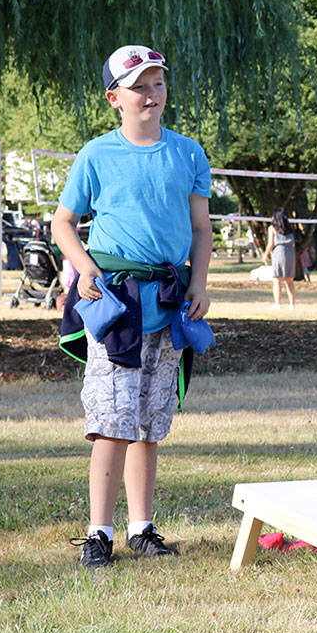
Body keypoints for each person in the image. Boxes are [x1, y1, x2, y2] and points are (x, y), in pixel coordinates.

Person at [51, 44, 212, 568]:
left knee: (148, 421)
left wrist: (200, 283)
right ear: (114, 97)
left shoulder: (187, 152)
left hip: (167, 303)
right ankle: (99, 532)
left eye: (158, 83)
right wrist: (84, 268)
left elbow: (200, 227)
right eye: (138, 85)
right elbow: (62, 224)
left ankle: (142, 528)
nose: (151, 94)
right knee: (111, 419)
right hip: (116, 303)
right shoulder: (96, 155)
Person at [262, 208, 297, 309]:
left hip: (279, 251)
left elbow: (270, 244)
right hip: (290, 252)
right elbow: (293, 243)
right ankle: (292, 304)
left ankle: (277, 304)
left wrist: (265, 255)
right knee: (290, 280)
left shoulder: (272, 228)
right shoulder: (290, 228)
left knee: (277, 280)